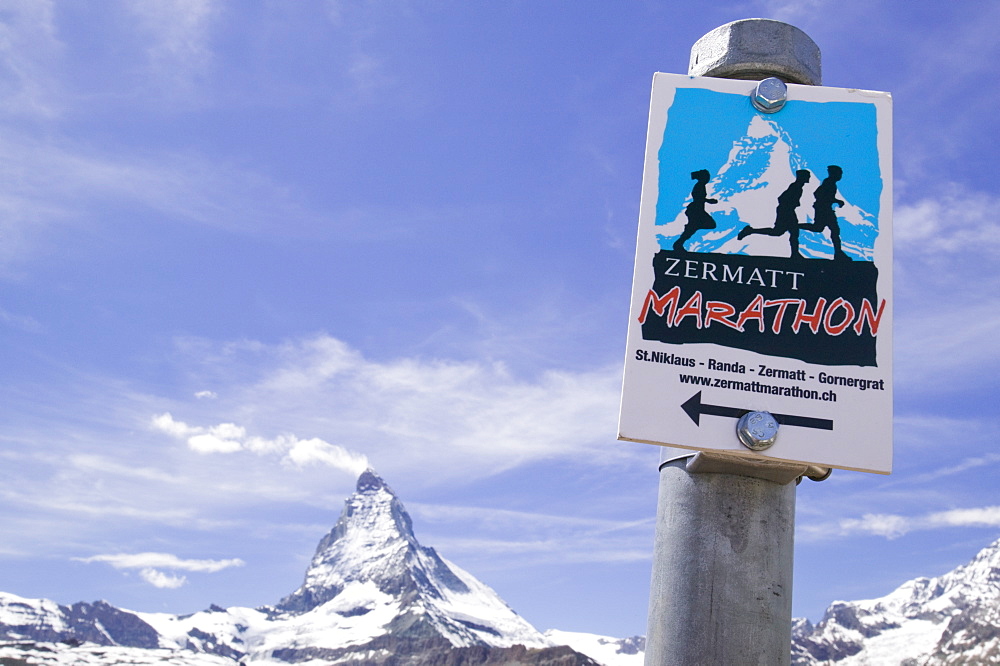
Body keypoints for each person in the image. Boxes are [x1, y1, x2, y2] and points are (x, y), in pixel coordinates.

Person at [737, 169, 811, 258]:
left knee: (779, 232)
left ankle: (751, 230)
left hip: (787, 210)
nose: (809, 178)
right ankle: (795, 253)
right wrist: (791, 204)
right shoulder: (795, 187)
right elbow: (781, 198)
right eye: (807, 176)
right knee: (792, 232)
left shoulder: (798, 187)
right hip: (786, 211)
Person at [800, 165, 850, 261]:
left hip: (824, 209)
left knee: (826, 229)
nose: (840, 176)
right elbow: (818, 194)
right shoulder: (829, 182)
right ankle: (838, 253)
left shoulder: (830, 183)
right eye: (839, 173)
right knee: (827, 229)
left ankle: (838, 252)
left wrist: (835, 200)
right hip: (824, 210)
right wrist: (835, 201)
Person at [673, 169, 718, 252]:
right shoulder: (699, 185)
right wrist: (708, 201)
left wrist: (707, 200)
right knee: (710, 224)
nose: (708, 179)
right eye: (707, 177)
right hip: (695, 210)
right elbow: (698, 198)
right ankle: (679, 243)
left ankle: (683, 238)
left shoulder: (701, 185)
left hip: (697, 209)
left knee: (696, 227)